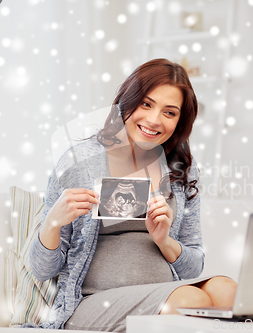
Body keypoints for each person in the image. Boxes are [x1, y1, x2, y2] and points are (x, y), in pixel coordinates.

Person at [28, 58, 237, 332]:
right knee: (189, 300)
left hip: (166, 290)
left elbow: (192, 268)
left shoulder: (181, 169)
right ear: (127, 101)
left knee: (227, 290)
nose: (154, 119)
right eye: (146, 104)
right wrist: (52, 222)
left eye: (169, 112)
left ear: (180, 122)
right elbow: (43, 271)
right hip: (92, 304)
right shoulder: (79, 162)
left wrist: (165, 241)